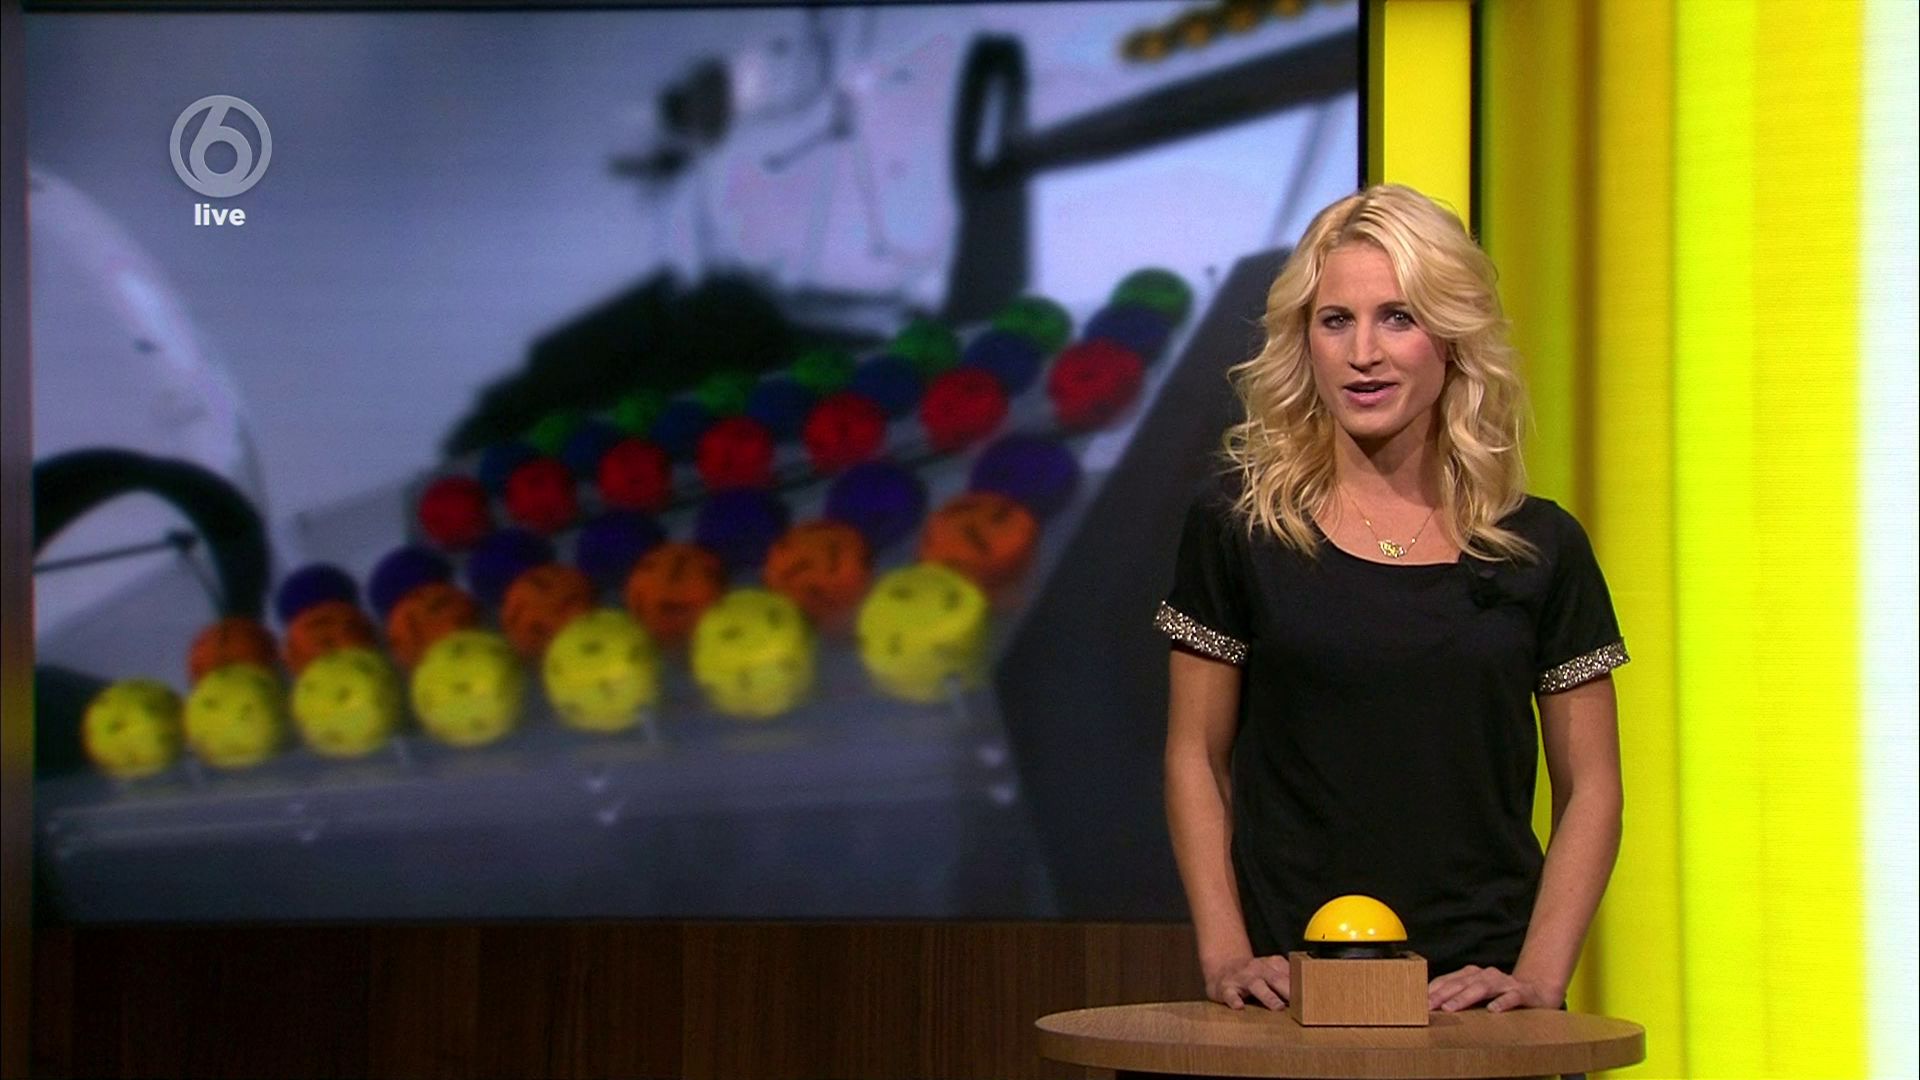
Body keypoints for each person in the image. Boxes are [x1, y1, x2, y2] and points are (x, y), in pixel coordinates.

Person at [1156, 184, 1625, 1015]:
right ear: (1305, 341)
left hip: (1478, 996)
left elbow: (1591, 787)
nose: (1363, 353)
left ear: (1453, 337)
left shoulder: (1541, 546)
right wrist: (1227, 956)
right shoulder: (1239, 528)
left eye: (1399, 318)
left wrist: (1537, 981)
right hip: (1287, 993)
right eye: (1336, 320)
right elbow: (1195, 755)